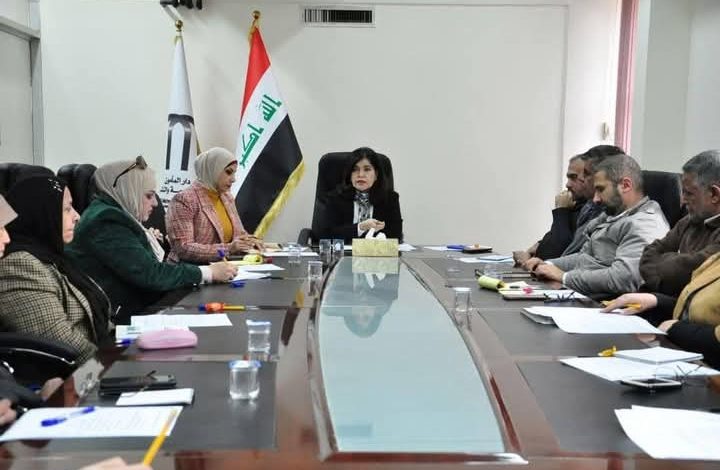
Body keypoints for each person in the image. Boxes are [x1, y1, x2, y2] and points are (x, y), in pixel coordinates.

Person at [66, 157, 237, 323]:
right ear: (128, 192)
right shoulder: (106, 220)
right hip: (121, 319)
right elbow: (150, 274)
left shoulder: (111, 213)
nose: (155, 203)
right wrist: (209, 272)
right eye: (149, 196)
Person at [0, 177, 113, 363]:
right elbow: (61, 342)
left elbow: (98, 319)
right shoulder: (18, 265)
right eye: (67, 209)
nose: (77, 216)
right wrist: (113, 363)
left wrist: (129, 342)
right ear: (41, 215)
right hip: (73, 373)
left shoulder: (55, 256)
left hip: (97, 358)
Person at [529, 153, 669, 298]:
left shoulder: (645, 224)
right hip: (584, 296)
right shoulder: (613, 215)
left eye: (600, 189)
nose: (595, 199)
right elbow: (584, 258)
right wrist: (548, 265)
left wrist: (564, 277)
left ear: (625, 185)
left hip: (606, 305)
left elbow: (624, 279)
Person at [603, 252, 720, 368]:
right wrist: (656, 300)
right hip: (683, 354)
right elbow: (695, 307)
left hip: (705, 366)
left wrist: (677, 329)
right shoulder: (715, 259)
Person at [514, 145, 623, 267]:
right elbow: (571, 255)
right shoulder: (587, 207)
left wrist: (561, 211)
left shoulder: (613, 215)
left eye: (586, 174)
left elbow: (554, 253)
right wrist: (541, 253)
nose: (582, 179)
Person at [639, 150, 720, 296]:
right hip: (659, 300)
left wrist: (665, 265)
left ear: (714, 194)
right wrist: (669, 277)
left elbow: (696, 272)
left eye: (689, 193)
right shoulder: (689, 220)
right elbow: (648, 255)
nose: (682, 201)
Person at [166, 147, 263, 264]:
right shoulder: (184, 199)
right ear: (213, 170)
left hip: (224, 267)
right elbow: (184, 248)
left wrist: (250, 242)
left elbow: (239, 234)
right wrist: (228, 249)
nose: (233, 179)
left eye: (234, 173)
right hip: (191, 270)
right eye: (228, 172)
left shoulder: (227, 197)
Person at [319, 147, 403, 243]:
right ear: (350, 175)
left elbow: (396, 235)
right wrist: (360, 227)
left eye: (367, 169)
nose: (360, 174)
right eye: (355, 169)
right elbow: (326, 234)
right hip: (344, 251)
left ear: (376, 175)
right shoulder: (335, 198)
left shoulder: (390, 199)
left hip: (377, 251)